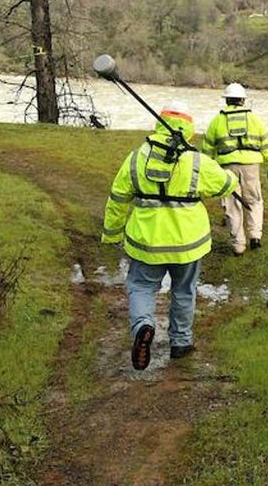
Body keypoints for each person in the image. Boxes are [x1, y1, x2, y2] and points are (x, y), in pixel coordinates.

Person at [101, 101, 239, 370]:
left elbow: (118, 198)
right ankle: (181, 342)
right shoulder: (196, 160)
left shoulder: (137, 157)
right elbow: (225, 185)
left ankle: (143, 325)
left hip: (146, 242)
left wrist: (112, 234)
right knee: (184, 291)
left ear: (159, 123)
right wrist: (233, 177)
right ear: (188, 128)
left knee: (141, 287)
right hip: (188, 244)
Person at [201, 82, 268, 256]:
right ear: (243, 100)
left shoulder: (217, 121)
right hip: (251, 167)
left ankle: (238, 245)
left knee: (232, 205)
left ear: (227, 100)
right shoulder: (255, 119)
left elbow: (207, 150)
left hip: (227, 168)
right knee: (254, 200)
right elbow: (266, 143)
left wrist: (206, 171)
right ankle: (255, 237)